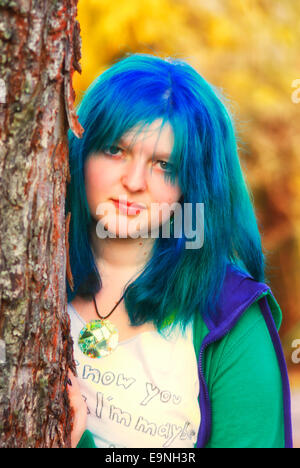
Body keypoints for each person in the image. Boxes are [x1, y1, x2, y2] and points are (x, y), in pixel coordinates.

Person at [65, 53, 293, 448]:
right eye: (115, 150)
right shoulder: (23, 274)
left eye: (163, 164)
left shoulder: (232, 318)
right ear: (81, 149)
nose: (134, 181)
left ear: (193, 185)